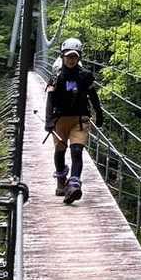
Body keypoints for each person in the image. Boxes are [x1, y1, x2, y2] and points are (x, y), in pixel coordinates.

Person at [44, 36, 102, 205]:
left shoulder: (85, 76)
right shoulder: (56, 77)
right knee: (60, 151)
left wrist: (99, 113)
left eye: (74, 56)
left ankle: (74, 185)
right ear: (62, 56)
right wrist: (48, 120)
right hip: (60, 119)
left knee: (77, 151)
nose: (71, 59)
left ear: (79, 57)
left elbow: (93, 95)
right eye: (68, 56)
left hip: (80, 119)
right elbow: (50, 100)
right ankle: (61, 179)